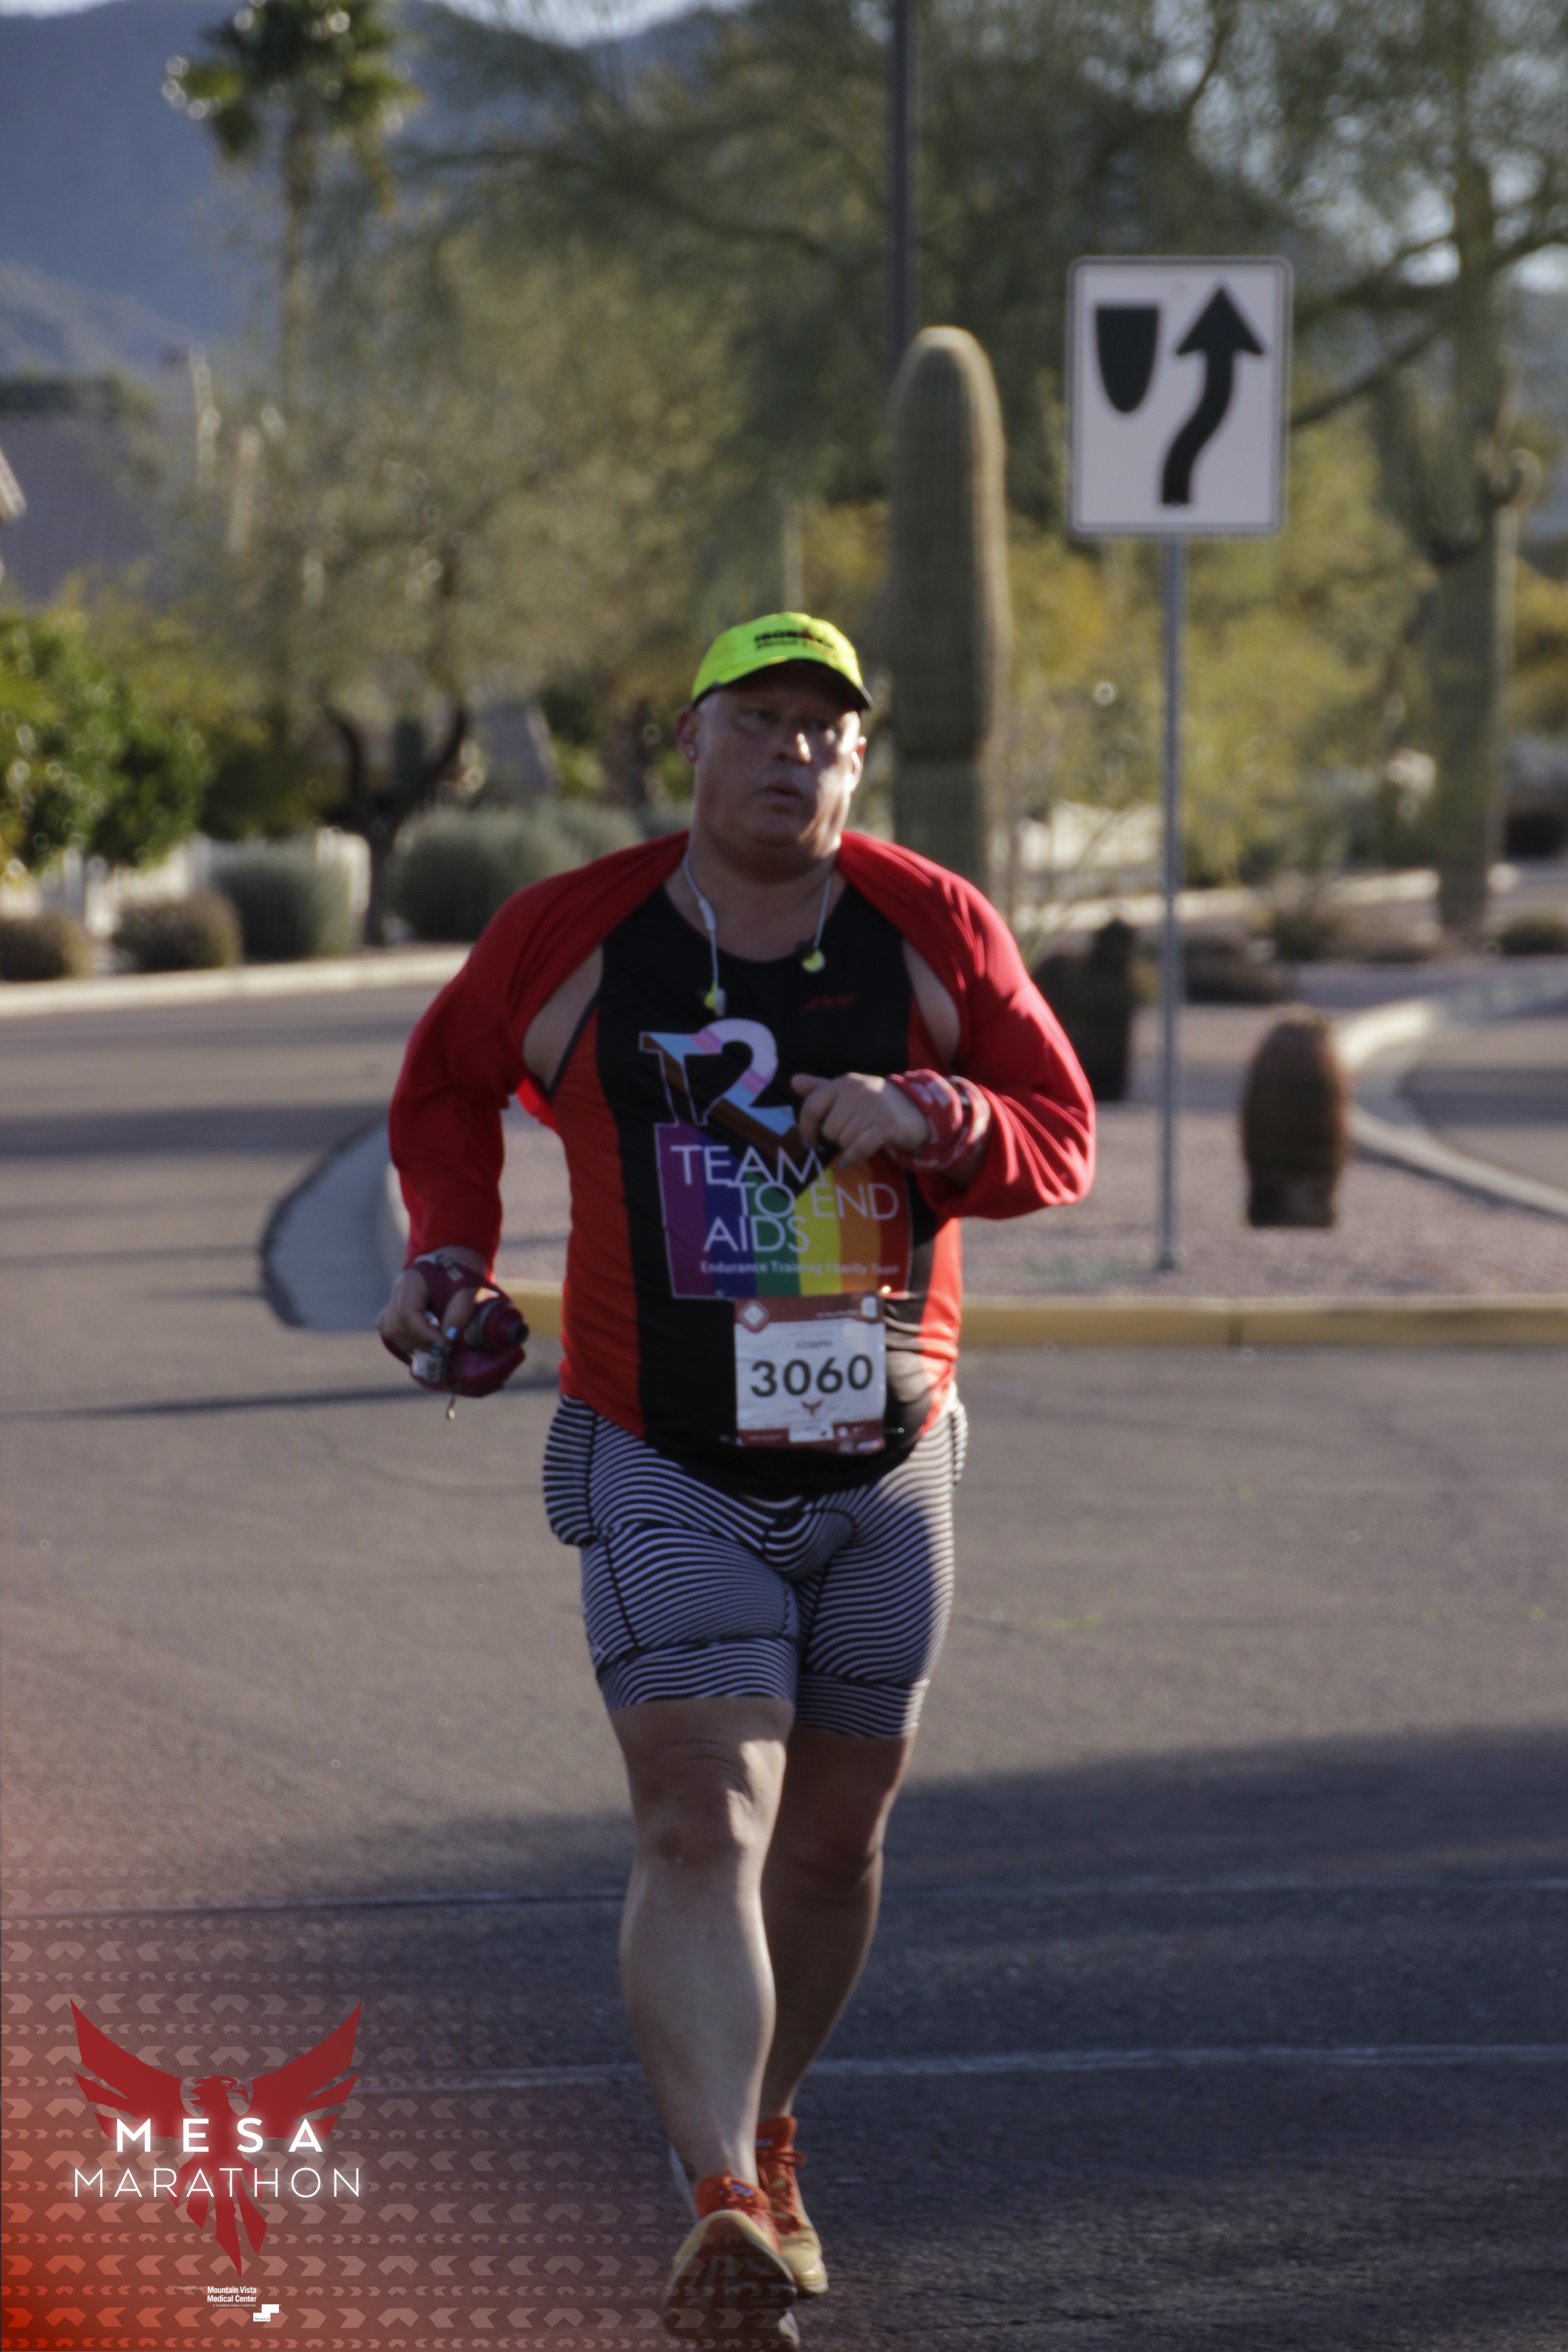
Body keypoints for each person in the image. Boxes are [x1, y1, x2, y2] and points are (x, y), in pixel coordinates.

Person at [378, 612, 1095, 2341]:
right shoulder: (571, 933)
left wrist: (933, 1116)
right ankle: (717, 2195)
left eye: (826, 730)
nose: (794, 753)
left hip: (886, 1461)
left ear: (860, 758)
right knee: (700, 1816)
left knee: (834, 1849)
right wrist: (448, 1250)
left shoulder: (935, 927)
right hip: (665, 1451)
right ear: (691, 739)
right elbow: (447, 1085)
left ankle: (768, 2134)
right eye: (760, 720)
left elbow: (1059, 1134)